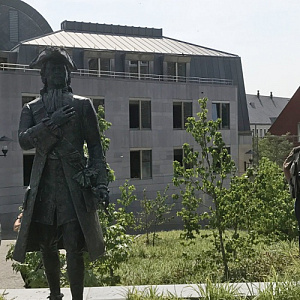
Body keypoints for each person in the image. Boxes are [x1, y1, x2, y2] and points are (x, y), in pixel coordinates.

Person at [13, 47, 109, 300]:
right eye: (52, 69)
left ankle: (77, 297)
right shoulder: (32, 109)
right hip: (44, 184)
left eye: (62, 69)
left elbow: (96, 148)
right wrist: (52, 122)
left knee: (75, 245)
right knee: (46, 244)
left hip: (73, 185)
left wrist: (100, 183)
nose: (58, 73)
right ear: (43, 75)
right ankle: (55, 295)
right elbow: (23, 141)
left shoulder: (82, 105)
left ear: (68, 75)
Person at [283, 145, 300, 252]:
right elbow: (285, 167)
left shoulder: (296, 151)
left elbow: (285, 168)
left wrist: (291, 184)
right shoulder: (296, 151)